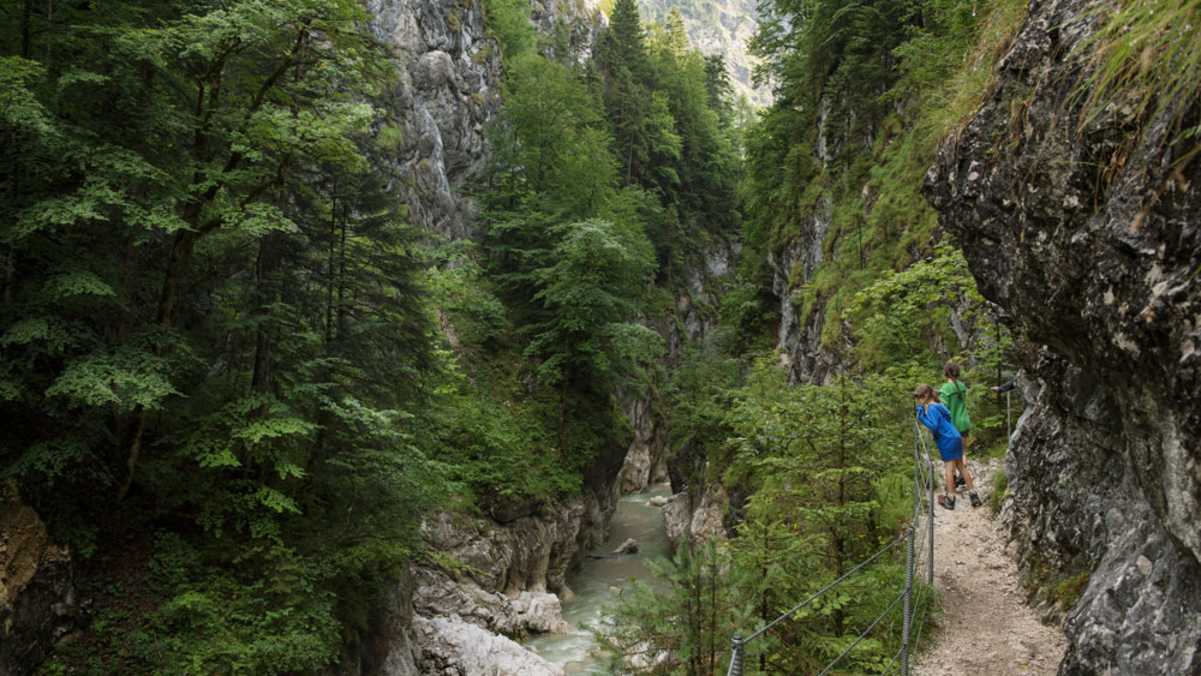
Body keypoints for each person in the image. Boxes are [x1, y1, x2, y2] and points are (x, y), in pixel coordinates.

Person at [914, 384, 981, 509]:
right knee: (961, 467)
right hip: (955, 436)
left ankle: (950, 498)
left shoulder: (932, 408)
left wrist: (922, 418)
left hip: (946, 439)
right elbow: (947, 417)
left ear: (926, 395)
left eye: (920, 397)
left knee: (949, 469)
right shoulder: (939, 406)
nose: (918, 400)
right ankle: (974, 495)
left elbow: (934, 426)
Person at [939, 362, 973, 490]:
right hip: (964, 422)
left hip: (953, 425)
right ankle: (963, 477)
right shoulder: (962, 386)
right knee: (963, 452)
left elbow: (944, 409)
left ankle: (951, 481)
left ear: (946, 373)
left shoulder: (945, 389)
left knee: (951, 456)